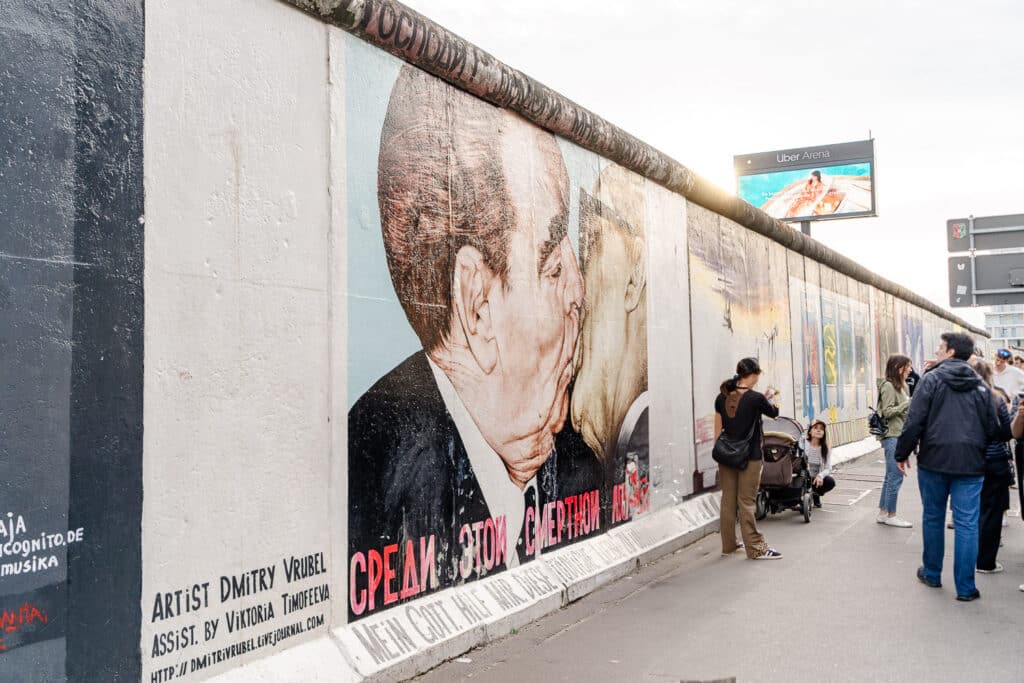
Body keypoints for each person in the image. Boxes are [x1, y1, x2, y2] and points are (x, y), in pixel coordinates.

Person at [347, 65, 602, 618]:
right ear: (476, 305)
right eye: (553, 264)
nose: (579, 290)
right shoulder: (368, 488)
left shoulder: (584, 467)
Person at [895, 333, 1004, 601]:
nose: (937, 351)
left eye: (941, 347)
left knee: (933, 516)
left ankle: (932, 573)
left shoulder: (931, 380)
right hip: (971, 465)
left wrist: (902, 452)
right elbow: (994, 429)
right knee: (967, 523)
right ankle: (966, 588)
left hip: (933, 461)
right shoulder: (981, 386)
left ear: (952, 352)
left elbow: (915, 420)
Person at [715, 357, 782, 560]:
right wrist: (772, 397)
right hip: (749, 457)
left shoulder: (721, 397)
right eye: (757, 376)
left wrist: (724, 451)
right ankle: (756, 547)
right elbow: (775, 413)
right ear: (753, 375)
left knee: (728, 500)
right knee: (746, 502)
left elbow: (717, 431)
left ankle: (729, 546)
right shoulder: (756, 398)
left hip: (725, 455)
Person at [968, 359, 1013, 574]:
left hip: (969, 463)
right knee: (992, 513)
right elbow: (1006, 432)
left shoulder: (962, 400)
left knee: (970, 513)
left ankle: (968, 558)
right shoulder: (996, 400)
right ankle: (986, 562)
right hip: (995, 463)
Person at [876, 355, 913, 527]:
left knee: (890, 476)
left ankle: (883, 512)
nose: (910, 370)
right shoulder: (889, 386)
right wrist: (908, 404)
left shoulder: (901, 387)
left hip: (898, 435)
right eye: (908, 367)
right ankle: (891, 515)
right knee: (895, 476)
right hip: (892, 436)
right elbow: (887, 412)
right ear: (899, 368)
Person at [805, 420, 835, 507]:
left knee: (830, 481)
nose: (819, 430)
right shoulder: (804, 444)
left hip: (816, 479)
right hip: (803, 476)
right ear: (810, 431)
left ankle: (816, 494)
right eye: (815, 428)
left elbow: (828, 468)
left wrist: (820, 476)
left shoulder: (826, 448)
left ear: (823, 433)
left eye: (821, 429)